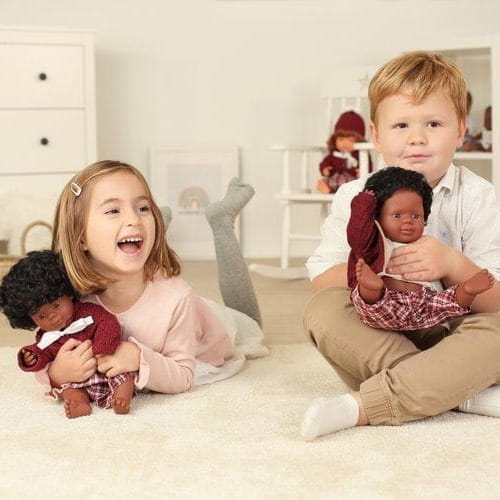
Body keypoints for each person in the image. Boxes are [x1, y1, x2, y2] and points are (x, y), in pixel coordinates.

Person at [301, 51, 500, 441]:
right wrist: (376, 265)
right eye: (401, 125)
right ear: (376, 135)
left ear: (460, 130)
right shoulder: (354, 196)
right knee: (321, 311)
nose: (417, 138)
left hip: (456, 331)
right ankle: (458, 390)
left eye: (434, 124)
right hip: (384, 334)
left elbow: (495, 301)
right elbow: (323, 283)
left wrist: (452, 264)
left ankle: (364, 406)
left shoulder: (478, 197)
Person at [34, 160, 267, 399]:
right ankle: (147, 231)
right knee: (133, 237)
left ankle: (222, 221)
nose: (134, 219)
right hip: (163, 303)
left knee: (252, 327)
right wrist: (56, 373)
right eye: (113, 211)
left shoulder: (178, 299)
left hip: (208, 328)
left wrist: (138, 357)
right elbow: (45, 345)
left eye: (143, 208)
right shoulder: (70, 295)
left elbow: (183, 375)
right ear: (81, 237)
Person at [348, 166, 494, 330]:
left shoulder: (428, 245)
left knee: (446, 304)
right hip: (388, 304)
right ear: (377, 217)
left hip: (422, 307)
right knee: (367, 303)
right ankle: (371, 290)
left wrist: (459, 290)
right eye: (397, 215)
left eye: (416, 216)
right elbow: (357, 235)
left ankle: (467, 291)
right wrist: (363, 204)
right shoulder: (376, 242)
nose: (408, 221)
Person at [0, 250, 135, 418]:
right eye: (41, 316)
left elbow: (107, 322)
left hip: (105, 366)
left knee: (124, 377)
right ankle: (79, 403)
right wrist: (32, 356)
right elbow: (43, 352)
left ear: (69, 293)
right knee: (69, 389)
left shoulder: (88, 312)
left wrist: (103, 347)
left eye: (56, 306)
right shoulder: (46, 336)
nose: (52, 316)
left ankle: (121, 399)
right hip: (77, 379)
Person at [317, 110, 372, 194]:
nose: (344, 144)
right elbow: (325, 162)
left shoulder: (360, 155)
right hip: (334, 179)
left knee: (356, 184)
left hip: (351, 180)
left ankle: (350, 192)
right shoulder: (333, 154)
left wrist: (361, 171)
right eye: (341, 139)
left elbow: (368, 165)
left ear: (359, 141)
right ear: (334, 139)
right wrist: (325, 168)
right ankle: (327, 189)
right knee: (323, 181)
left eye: (350, 140)